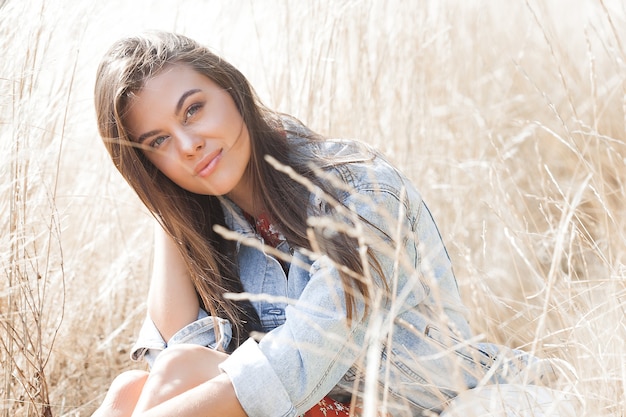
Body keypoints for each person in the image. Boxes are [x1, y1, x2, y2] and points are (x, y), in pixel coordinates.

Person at [91, 31, 578, 417]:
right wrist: (168, 208)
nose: (187, 144)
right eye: (157, 142)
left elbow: (298, 367)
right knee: (128, 389)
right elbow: (171, 362)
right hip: (317, 409)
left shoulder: (359, 191)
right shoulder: (211, 224)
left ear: (233, 90)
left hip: (440, 403)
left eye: (193, 109)